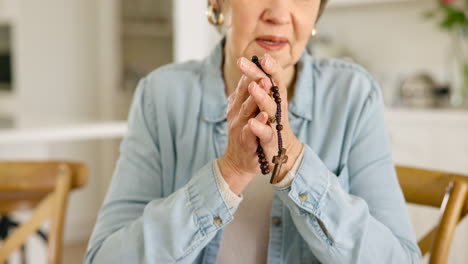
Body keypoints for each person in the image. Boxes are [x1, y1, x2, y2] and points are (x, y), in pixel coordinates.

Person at [85, 0, 422, 263]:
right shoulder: (161, 95)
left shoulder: (353, 96)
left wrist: (292, 165)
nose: (278, 14)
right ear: (219, 4)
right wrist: (229, 172)